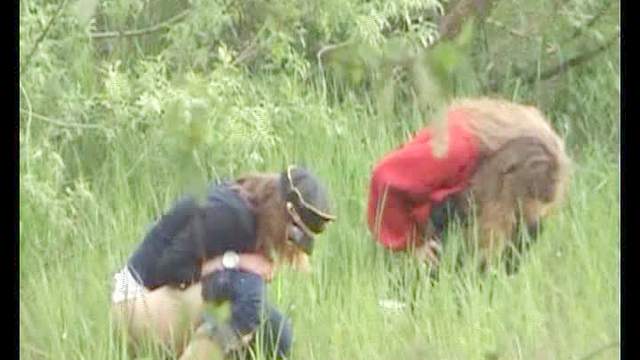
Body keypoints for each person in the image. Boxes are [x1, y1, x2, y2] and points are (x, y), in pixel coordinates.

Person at [110, 165, 336, 359]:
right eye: (293, 237)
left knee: (277, 332)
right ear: (282, 214)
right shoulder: (231, 213)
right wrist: (236, 261)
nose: (290, 247)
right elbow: (168, 269)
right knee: (246, 294)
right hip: (132, 300)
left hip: (170, 302)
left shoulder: (255, 217)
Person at [367, 98, 570, 270]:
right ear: (509, 176)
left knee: (531, 227)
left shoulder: (542, 149)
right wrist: (412, 244)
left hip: (480, 186)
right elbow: (385, 178)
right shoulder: (454, 150)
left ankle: (490, 283)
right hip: (437, 206)